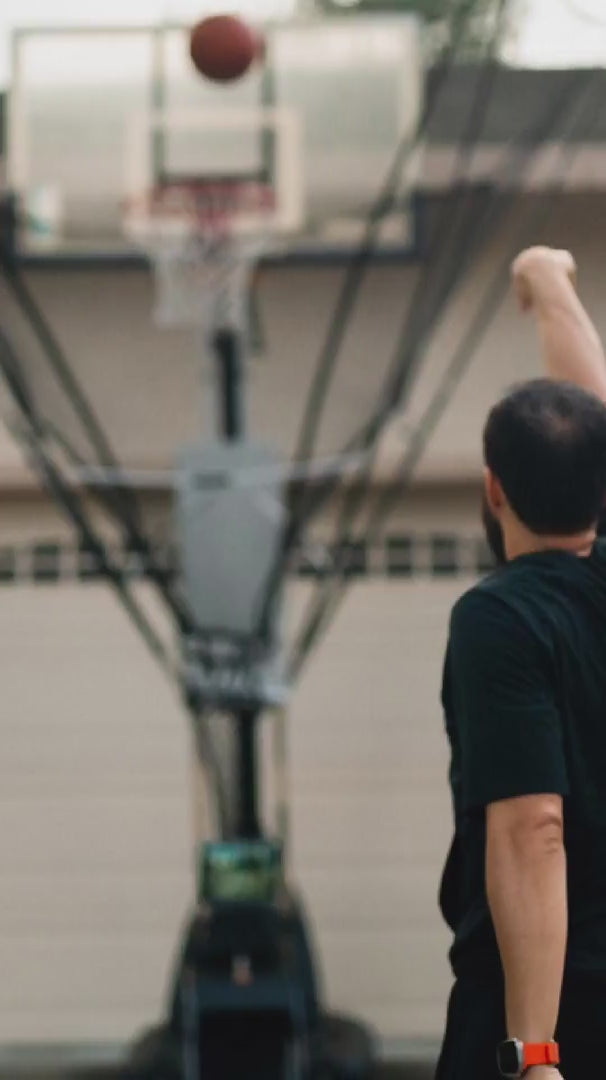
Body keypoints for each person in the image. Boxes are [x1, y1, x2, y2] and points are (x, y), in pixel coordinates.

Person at [436, 246, 606, 1080]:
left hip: (558, 1009)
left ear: (493, 487)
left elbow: (534, 827)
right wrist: (550, 284)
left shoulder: (499, 618)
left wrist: (534, 1054)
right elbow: (596, 411)